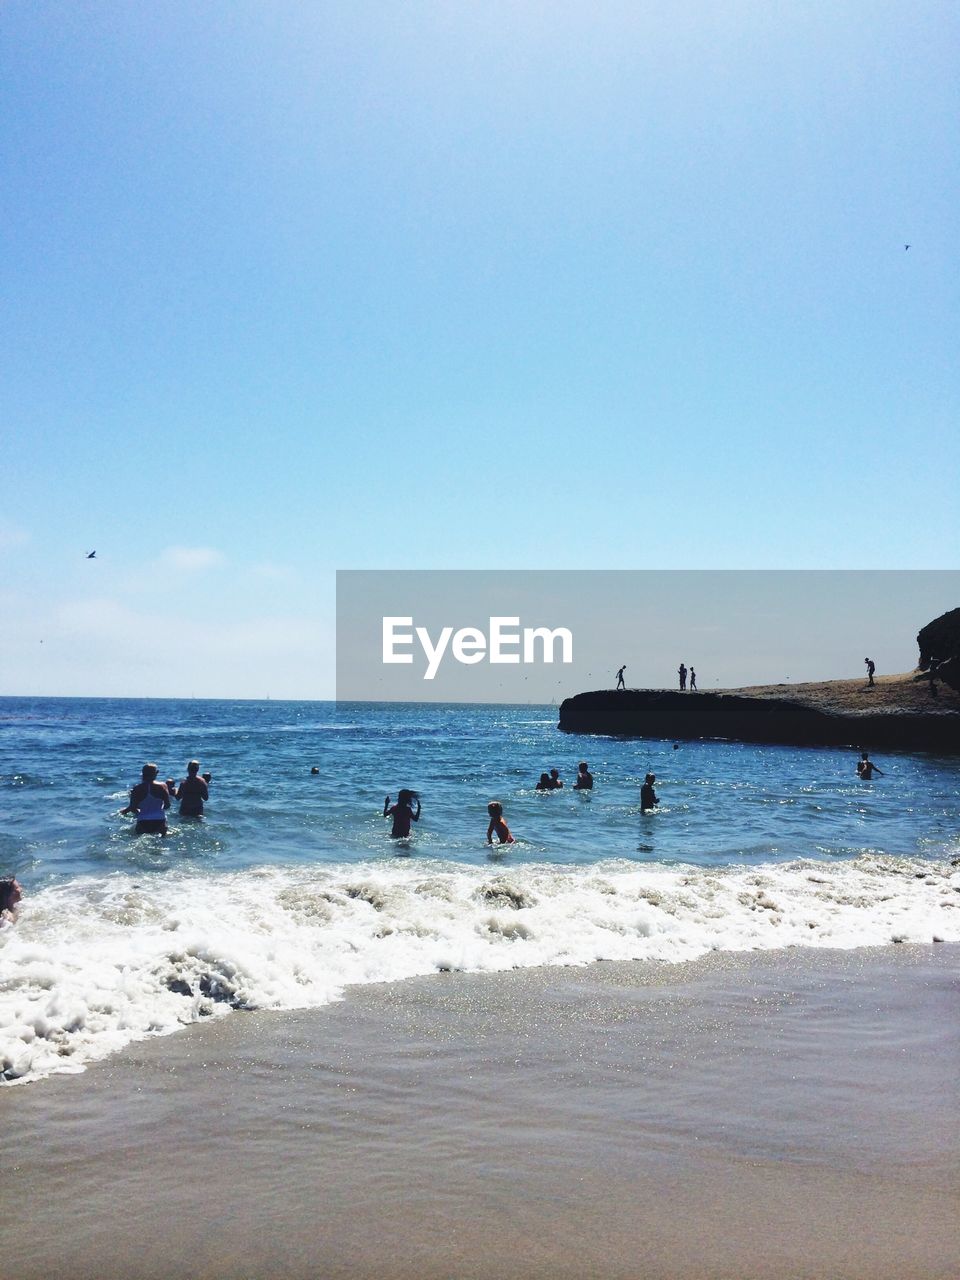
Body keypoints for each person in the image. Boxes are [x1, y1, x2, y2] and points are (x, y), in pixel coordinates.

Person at [121, 763, 171, 836]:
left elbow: (132, 808)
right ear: (156, 773)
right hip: (160, 820)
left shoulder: (137, 788)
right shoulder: (162, 786)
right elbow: (167, 805)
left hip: (143, 821)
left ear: (143, 773)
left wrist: (126, 811)